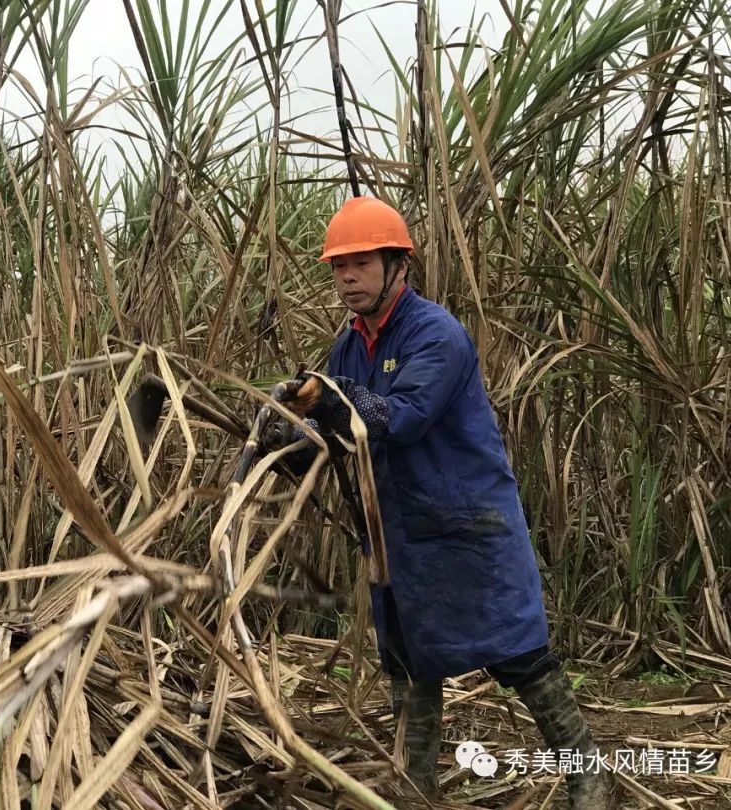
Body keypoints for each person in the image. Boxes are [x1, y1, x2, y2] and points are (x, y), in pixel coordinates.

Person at [264, 196, 616, 809]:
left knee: (521, 654)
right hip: (397, 529)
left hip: (466, 522)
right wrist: (286, 429)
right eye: (338, 266)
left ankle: (588, 777)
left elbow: (399, 419)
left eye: (361, 262)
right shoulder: (349, 347)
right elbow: (337, 432)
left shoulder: (434, 334)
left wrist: (327, 401)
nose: (347, 277)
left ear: (398, 263)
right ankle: (415, 787)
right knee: (408, 659)